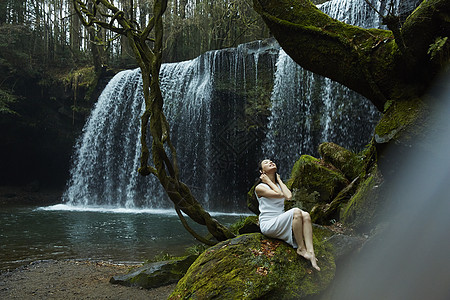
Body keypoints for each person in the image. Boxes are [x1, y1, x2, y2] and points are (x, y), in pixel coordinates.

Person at [255, 159, 320, 271]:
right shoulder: (260, 188)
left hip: (279, 219)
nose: (270, 162)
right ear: (262, 171)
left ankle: (311, 252)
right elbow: (280, 194)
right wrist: (269, 181)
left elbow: (289, 196)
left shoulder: (278, 185)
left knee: (306, 215)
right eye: (266, 163)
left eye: (271, 161)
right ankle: (301, 248)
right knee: (296, 212)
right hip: (268, 223)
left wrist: (279, 180)